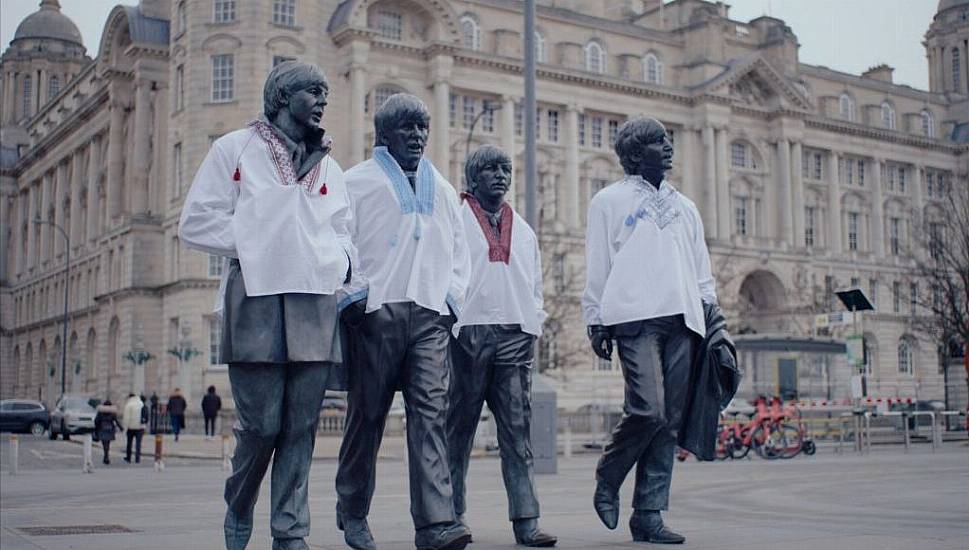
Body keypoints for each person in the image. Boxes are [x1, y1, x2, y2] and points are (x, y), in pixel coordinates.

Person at [179, 60, 352, 550]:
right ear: (281, 96)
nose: (322, 100)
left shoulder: (330, 166)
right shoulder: (234, 148)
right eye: (312, 92)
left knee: (301, 427)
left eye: (325, 92)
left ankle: (290, 530)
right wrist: (263, 242)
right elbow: (195, 222)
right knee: (260, 427)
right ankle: (239, 502)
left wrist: (337, 260)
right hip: (255, 297)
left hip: (315, 302)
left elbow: (343, 232)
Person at [335, 93, 471, 550]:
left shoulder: (446, 190)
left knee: (431, 417)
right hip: (378, 313)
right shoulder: (356, 182)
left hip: (430, 315)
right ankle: (353, 512)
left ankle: (435, 525)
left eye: (421, 128)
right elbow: (339, 239)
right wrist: (354, 293)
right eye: (406, 128)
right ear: (385, 134)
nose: (416, 136)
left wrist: (451, 299)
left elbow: (460, 253)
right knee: (366, 416)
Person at [582, 117, 718, 545]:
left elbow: (701, 270)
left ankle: (649, 514)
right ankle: (609, 473)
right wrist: (595, 318)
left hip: (684, 320)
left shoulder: (686, 206)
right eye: (660, 142)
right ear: (637, 153)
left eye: (669, 140)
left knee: (669, 422)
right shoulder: (608, 201)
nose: (670, 147)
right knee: (648, 410)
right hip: (633, 319)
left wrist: (715, 320)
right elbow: (598, 264)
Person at [446, 145, 556, 547]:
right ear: (473, 177)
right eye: (491, 169)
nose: (500, 175)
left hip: (513, 335)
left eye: (505, 169)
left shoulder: (522, 228)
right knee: (458, 433)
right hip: (468, 335)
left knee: (517, 434)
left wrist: (532, 324)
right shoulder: (455, 220)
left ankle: (527, 520)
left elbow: (535, 284)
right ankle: (451, 515)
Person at [93, 400, 122, 465]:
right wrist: (121, 428)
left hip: (102, 429)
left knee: (104, 444)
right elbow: (116, 421)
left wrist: (96, 429)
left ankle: (106, 456)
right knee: (108, 444)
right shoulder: (112, 413)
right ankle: (106, 456)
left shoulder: (100, 413)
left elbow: (96, 421)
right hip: (110, 429)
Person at [122, 393, 146, 463]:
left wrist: (125, 429)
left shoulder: (129, 405)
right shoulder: (141, 403)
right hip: (140, 427)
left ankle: (128, 457)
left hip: (131, 427)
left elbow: (126, 418)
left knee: (129, 443)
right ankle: (137, 458)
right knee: (138, 444)